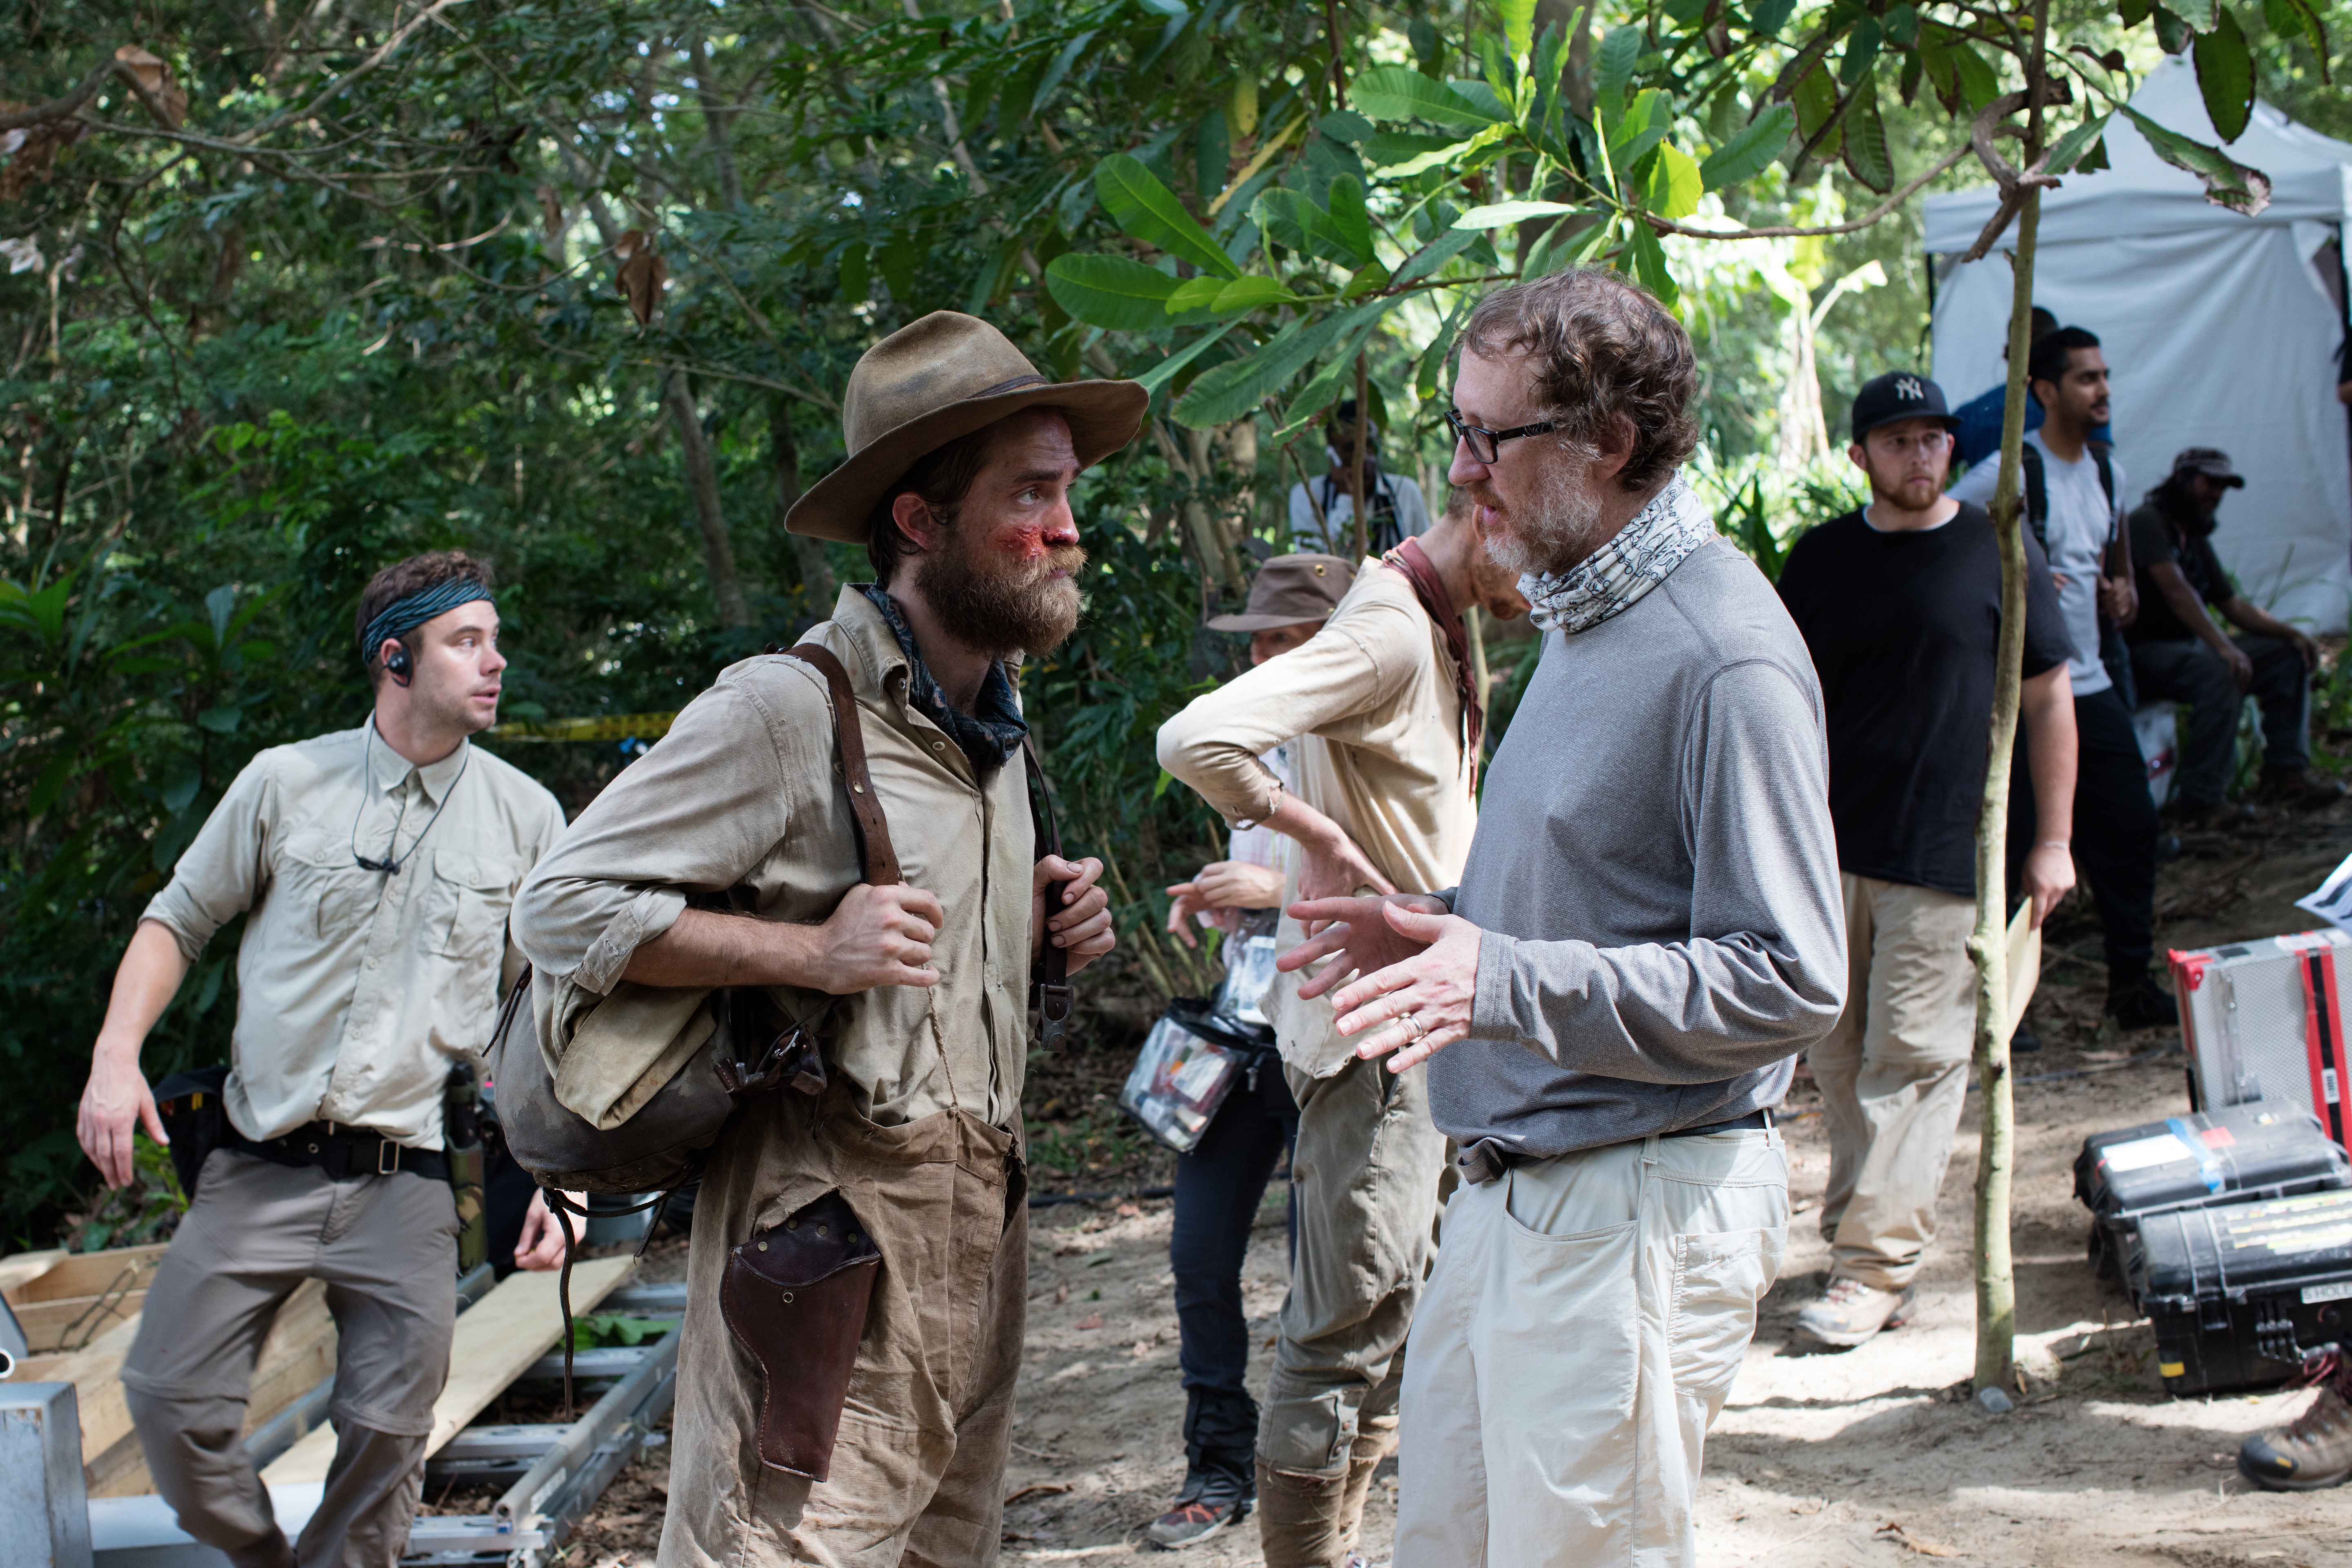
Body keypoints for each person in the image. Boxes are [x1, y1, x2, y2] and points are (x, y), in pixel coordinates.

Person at [511, 310, 1122, 1566]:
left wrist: (1043, 941)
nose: (1071, 526)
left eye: (1069, 490)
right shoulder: (790, 707)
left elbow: (925, 979)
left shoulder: (989, 725)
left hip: (983, 1229)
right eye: (1034, 494)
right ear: (918, 520)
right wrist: (808, 954)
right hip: (828, 1240)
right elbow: (558, 904)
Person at [1273, 269, 1846, 1568]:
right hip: (1514, 1197)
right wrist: (1430, 925)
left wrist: (1504, 980)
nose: (1461, 470)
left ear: (1610, 444)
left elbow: (1793, 977)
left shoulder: (1721, 654)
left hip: (1631, 1208)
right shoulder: (1590, 613)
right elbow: (1601, 901)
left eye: (1491, 436)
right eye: (1458, 428)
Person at [76, 551, 568, 1568]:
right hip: (259, 1160)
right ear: (396, 656)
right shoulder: (285, 781)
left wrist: (552, 1178)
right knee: (168, 1400)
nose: (496, 660)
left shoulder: (526, 817)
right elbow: (179, 917)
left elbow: (543, 1016)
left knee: (389, 1434)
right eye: (465, 641)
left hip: (411, 1181)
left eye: (494, 637)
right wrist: (114, 1057)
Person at [1157, 487, 1527, 1568]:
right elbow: (1197, 734)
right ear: (1488, 505)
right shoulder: (1388, 627)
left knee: (1391, 1309)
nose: (1547, 575)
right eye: (1539, 538)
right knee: (1343, 1327)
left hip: (1410, 1027)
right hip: (1367, 1035)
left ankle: (1345, 1544)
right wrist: (1311, 837)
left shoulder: (1438, 620)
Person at [1775, 371, 2079, 1347]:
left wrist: (2051, 839)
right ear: (1857, 454)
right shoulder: (1817, 560)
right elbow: (1776, 705)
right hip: (1825, 851)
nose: (1919, 454)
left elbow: (2046, 699)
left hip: (1948, 847)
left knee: (1912, 1061)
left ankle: (1870, 1266)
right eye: (1896, 439)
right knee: (1837, 1055)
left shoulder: (1997, 548)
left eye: (1933, 438)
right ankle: (1861, 1247)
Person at [1145, 554, 1355, 1549]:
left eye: (1287, 638)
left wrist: (1272, 895)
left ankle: (1322, 1461)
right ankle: (1215, 1459)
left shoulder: (1374, 746)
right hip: (1240, 1037)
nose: (1268, 657)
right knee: (1197, 1255)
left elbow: (1418, 885)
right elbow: (1258, 885)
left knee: (1333, 1266)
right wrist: (1214, 893)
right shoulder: (1244, 746)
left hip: (1335, 1038)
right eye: (1260, 641)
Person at [1951, 325, 2174, 1029]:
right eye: (2086, 378)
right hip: (2019, 695)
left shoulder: (2110, 470)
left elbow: (2119, 568)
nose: (2103, 390)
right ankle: (2010, 1014)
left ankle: (2131, 987)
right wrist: (2007, 571)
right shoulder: (2012, 472)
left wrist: (2124, 593)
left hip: (2092, 683)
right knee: (2014, 850)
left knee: (2132, 830)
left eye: (2105, 376)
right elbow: (1946, 528)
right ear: (2045, 392)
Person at [2126, 446, 2342, 826]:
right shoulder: (2147, 523)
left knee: (2283, 655)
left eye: (2223, 486)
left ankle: (2285, 773)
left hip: (2187, 650)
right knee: (2219, 672)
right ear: (2182, 480)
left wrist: (2292, 633)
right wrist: (2224, 648)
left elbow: (2232, 604)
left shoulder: (2192, 536)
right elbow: (2177, 592)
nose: (2217, 494)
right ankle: (2202, 801)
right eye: (2210, 483)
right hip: (2145, 653)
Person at [1951, 305, 2112, 467]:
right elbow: (2099, 466)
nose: (2105, 391)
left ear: (2007, 353)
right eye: (2087, 378)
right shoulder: (2073, 407)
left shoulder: (1970, 414)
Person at [1286, 400, 1431, 555]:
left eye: (1369, 444)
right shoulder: (1308, 496)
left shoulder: (1405, 491)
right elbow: (1314, 563)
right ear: (1332, 454)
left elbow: (1425, 553)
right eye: (1351, 448)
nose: (1364, 456)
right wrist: (1347, 498)